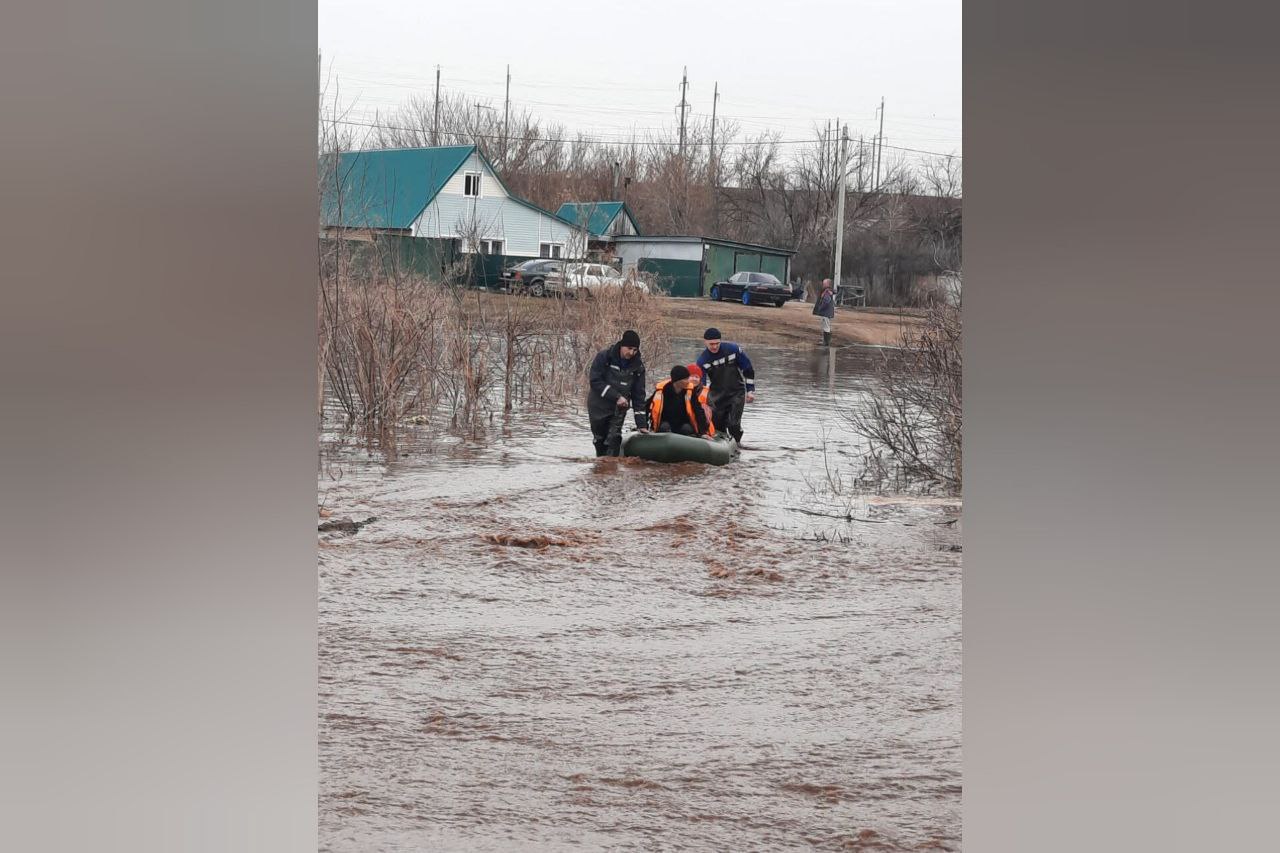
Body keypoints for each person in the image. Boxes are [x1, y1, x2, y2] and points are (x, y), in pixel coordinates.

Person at [587, 330, 646, 457]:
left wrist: (642, 424)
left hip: (619, 408)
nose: (631, 353)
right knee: (600, 439)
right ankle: (601, 470)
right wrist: (616, 396)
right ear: (622, 345)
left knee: (614, 438)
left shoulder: (638, 367)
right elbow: (595, 381)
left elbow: (639, 395)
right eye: (629, 348)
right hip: (598, 406)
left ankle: (611, 470)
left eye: (635, 350)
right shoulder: (604, 357)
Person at [694, 328, 754, 443]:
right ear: (705, 342)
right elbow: (702, 385)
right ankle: (721, 448)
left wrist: (750, 390)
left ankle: (736, 445)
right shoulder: (702, 361)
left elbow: (747, 368)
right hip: (717, 396)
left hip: (737, 393)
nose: (715, 346)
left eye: (717, 343)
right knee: (717, 425)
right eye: (711, 344)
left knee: (733, 424)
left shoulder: (733, 350)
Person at [644, 364, 716, 438]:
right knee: (664, 427)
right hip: (666, 422)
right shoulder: (661, 391)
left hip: (683, 423)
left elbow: (698, 411)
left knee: (686, 429)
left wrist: (703, 432)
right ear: (677, 381)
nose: (689, 381)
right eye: (686, 379)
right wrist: (643, 426)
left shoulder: (690, 392)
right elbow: (646, 407)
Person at [813, 278, 836, 346]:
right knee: (826, 326)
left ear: (827, 284)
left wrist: (820, 308)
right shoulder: (828, 291)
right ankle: (825, 341)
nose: (823, 284)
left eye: (824, 283)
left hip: (826, 312)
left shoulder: (827, 291)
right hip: (827, 312)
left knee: (826, 327)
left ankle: (826, 342)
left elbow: (826, 301)